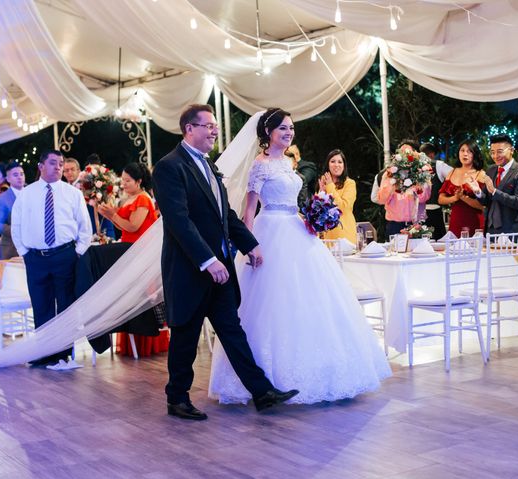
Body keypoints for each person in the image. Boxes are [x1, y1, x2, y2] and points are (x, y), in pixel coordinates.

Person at [208, 107, 391, 405]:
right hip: (271, 230)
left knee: (315, 300)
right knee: (276, 303)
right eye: (283, 128)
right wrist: (250, 245)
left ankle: (324, 370)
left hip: (298, 230)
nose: (289, 132)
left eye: (291, 128)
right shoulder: (261, 164)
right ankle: (269, 380)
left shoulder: (287, 164)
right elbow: (249, 209)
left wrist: (314, 217)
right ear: (268, 133)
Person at [152, 104, 299, 421]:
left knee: (233, 332)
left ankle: (262, 392)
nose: (214, 131)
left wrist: (250, 245)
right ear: (189, 129)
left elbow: (225, 216)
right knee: (185, 338)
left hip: (220, 269)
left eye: (215, 126)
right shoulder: (169, 167)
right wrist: (207, 260)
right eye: (208, 125)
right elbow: (179, 221)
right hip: (191, 269)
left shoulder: (208, 167)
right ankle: (176, 398)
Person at [11, 150, 92, 369]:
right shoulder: (26, 194)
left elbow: (85, 226)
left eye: (61, 164)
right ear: (41, 166)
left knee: (66, 305)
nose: (58, 167)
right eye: (53, 163)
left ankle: (64, 353)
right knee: (41, 304)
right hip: (35, 257)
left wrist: (77, 252)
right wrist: (24, 252)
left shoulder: (72, 193)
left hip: (65, 255)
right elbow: (16, 225)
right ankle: (44, 352)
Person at [98, 162, 168, 356]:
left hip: (142, 252)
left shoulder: (144, 199)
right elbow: (123, 227)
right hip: (130, 250)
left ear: (139, 181)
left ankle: (148, 341)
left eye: (128, 181)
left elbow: (133, 226)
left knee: (144, 295)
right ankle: (133, 342)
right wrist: (109, 215)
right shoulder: (128, 199)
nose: (124, 184)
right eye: (123, 181)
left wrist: (113, 215)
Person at [372, 140, 431, 236]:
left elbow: (424, 198)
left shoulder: (422, 172)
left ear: (415, 155)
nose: (404, 155)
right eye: (401, 152)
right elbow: (382, 199)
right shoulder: (389, 174)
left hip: (417, 225)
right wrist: (393, 181)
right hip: (395, 225)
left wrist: (417, 179)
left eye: (407, 152)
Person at [477, 134, 518, 234]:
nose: (495, 156)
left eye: (500, 152)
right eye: (492, 152)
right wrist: (477, 192)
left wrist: (495, 191)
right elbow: (486, 201)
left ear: (511, 150)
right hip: (491, 229)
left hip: (513, 230)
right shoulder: (491, 170)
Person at [438, 139, 486, 236]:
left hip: (474, 221)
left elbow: (483, 206)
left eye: (469, 151)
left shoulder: (481, 174)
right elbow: (441, 199)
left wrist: (463, 197)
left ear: (475, 154)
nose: (465, 154)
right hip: (455, 221)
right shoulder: (452, 172)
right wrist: (455, 198)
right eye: (462, 150)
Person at [319, 149, 357, 244]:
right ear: (328, 164)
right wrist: (321, 193)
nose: (336, 165)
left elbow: (343, 207)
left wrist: (330, 186)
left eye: (340, 162)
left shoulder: (350, 183)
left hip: (344, 235)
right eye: (332, 161)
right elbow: (317, 212)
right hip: (327, 236)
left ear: (344, 166)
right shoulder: (323, 182)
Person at [0, 162, 25, 260]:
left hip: (35, 249)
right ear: (8, 178)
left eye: (22, 174)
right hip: (11, 250)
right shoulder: (1, 199)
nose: (19, 177)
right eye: (15, 175)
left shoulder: (32, 194)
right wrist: (19, 230)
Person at [420, 142, 448, 240]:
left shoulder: (413, 167)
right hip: (434, 211)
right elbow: (455, 176)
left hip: (419, 213)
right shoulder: (439, 164)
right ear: (432, 154)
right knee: (439, 244)